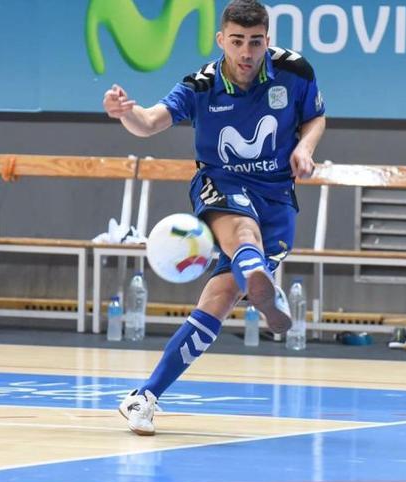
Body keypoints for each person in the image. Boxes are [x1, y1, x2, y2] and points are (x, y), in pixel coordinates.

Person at [103, 0, 326, 435]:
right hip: (221, 184)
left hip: (278, 196)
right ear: (221, 40)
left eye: (256, 42)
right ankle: (262, 283)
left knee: (218, 302)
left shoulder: (295, 72)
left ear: (268, 40)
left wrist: (305, 148)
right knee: (243, 230)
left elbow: (315, 116)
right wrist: (126, 111)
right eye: (238, 42)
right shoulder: (201, 85)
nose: (247, 52)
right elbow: (149, 123)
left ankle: (143, 397)